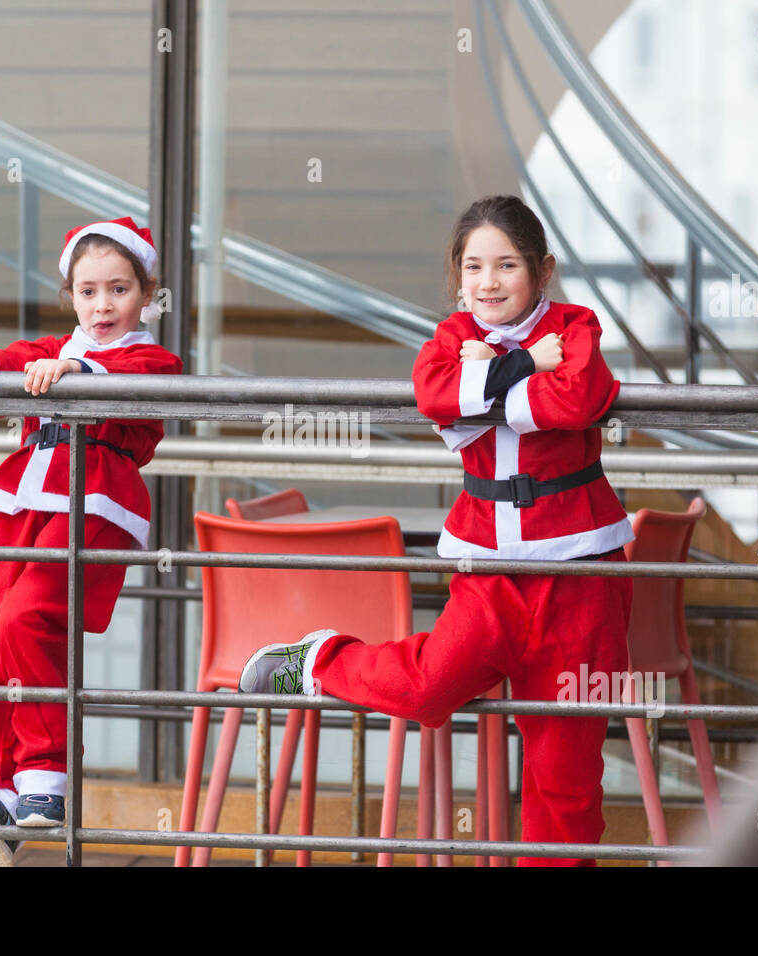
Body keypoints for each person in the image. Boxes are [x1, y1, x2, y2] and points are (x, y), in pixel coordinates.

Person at [239, 195, 634, 866]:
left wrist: (486, 385)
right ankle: (320, 661)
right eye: (475, 266)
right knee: (427, 690)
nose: (489, 282)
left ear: (542, 271)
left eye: (507, 265)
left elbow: (578, 399)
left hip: (581, 579)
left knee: (565, 781)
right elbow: (435, 396)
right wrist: (523, 368)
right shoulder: (453, 338)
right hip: (488, 572)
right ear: (458, 275)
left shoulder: (575, 323)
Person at [0, 217, 181, 866]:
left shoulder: (149, 356)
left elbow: (131, 378)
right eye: (89, 291)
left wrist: (72, 366)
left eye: (120, 290)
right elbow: (19, 357)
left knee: (27, 619)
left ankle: (45, 779)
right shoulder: (52, 347)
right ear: (70, 294)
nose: (103, 305)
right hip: (18, 500)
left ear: (147, 292)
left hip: (93, 499)